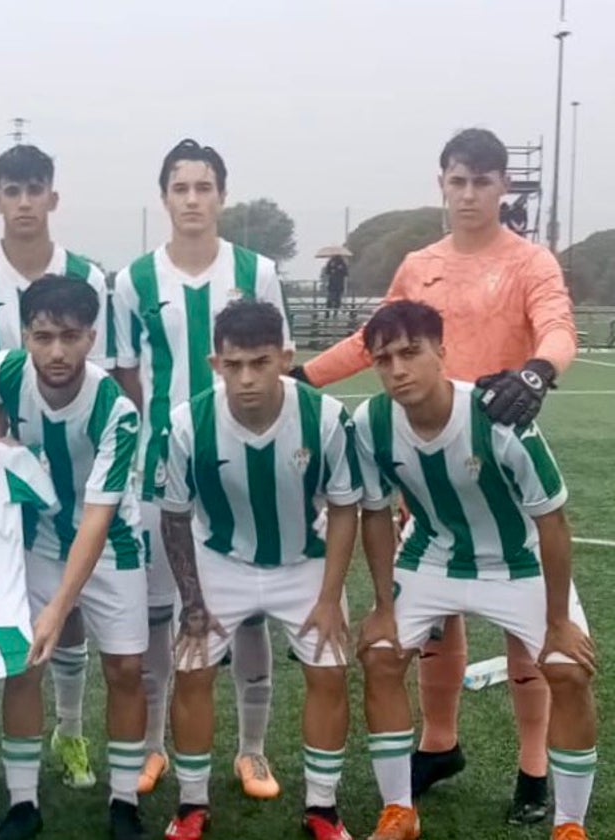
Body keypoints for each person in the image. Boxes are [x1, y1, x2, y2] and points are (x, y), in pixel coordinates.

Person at [294, 128, 577, 823]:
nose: (470, 193)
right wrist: (299, 378)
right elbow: (374, 342)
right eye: (458, 180)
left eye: (483, 181)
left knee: (526, 630)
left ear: (502, 187)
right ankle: (439, 742)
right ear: (442, 184)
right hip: (425, 469)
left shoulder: (529, 262)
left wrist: (539, 372)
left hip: (499, 461)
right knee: (437, 619)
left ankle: (534, 770)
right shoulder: (419, 264)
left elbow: (557, 327)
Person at [354, 300, 597, 840]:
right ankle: (399, 812)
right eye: (383, 358)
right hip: (432, 555)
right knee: (379, 655)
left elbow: (553, 522)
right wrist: (382, 607)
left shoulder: (496, 419)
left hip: (518, 559)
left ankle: (570, 825)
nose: (397, 370)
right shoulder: (370, 423)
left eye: (411, 353)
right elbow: (375, 513)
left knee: (568, 668)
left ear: (442, 351)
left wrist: (559, 621)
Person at [111, 139, 294, 797]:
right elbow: (127, 372)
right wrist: (163, 437)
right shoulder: (133, 280)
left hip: (245, 470)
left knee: (249, 612)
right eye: (180, 188)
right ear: (164, 197)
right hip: (163, 469)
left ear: (222, 194)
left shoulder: (258, 271)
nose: (192, 199)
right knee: (161, 614)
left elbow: (278, 362)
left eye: (204, 187)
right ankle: (155, 745)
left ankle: (252, 751)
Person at [0, 143, 113, 791]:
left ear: (52, 197)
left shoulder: (87, 278)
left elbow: (110, 371)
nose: (23, 203)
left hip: (71, 465)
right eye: (11, 191)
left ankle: (69, 732)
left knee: (62, 607)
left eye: (33, 190)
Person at [159, 301, 359, 840]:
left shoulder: (325, 417)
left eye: (260, 362)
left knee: (329, 671)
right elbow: (174, 518)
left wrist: (329, 596)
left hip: (304, 562)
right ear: (214, 364)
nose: (246, 378)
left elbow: (345, 510)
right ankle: (191, 804)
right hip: (219, 560)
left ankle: (322, 807)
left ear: (286, 358)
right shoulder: (187, 423)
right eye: (233, 364)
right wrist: (194, 603)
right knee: (193, 668)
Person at [0, 277, 147, 840]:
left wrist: (58, 610)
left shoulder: (115, 411)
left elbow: (97, 520)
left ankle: (124, 802)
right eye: (43, 336)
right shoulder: (4, 370)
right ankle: (23, 802)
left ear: (91, 337)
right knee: (24, 663)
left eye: (70, 336)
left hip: (112, 543)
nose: (56, 351)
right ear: (25, 334)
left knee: (124, 669)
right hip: (42, 538)